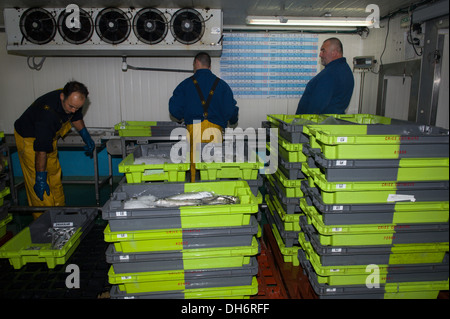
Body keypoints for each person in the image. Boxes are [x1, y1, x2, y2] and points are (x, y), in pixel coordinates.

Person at [14, 81, 95, 218]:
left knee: (54, 175)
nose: (74, 110)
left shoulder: (73, 99)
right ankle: (44, 221)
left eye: (78, 107)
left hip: (49, 136)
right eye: (71, 107)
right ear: (62, 97)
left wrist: (85, 136)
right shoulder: (47, 115)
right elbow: (41, 151)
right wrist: (40, 177)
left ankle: (60, 214)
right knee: (40, 184)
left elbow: (75, 116)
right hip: (29, 138)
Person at [169, 52, 239, 182]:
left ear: (196, 63)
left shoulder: (185, 85)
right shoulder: (222, 85)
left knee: (195, 165)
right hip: (216, 130)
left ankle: (196, 195)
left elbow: (174, 109)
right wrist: (233, 120)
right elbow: (231, 110)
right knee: (214, 165)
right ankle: (214, 193)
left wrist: (180, 116)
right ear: (210, 66)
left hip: (194, 129)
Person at [296, 37, 354, 114]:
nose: (320, 55)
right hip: (333, 122)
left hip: (317, 124)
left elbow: (316, 106)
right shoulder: (346, 70)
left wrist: (301, 123)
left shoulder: (331, 74)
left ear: (334, 52)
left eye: (323, 51)